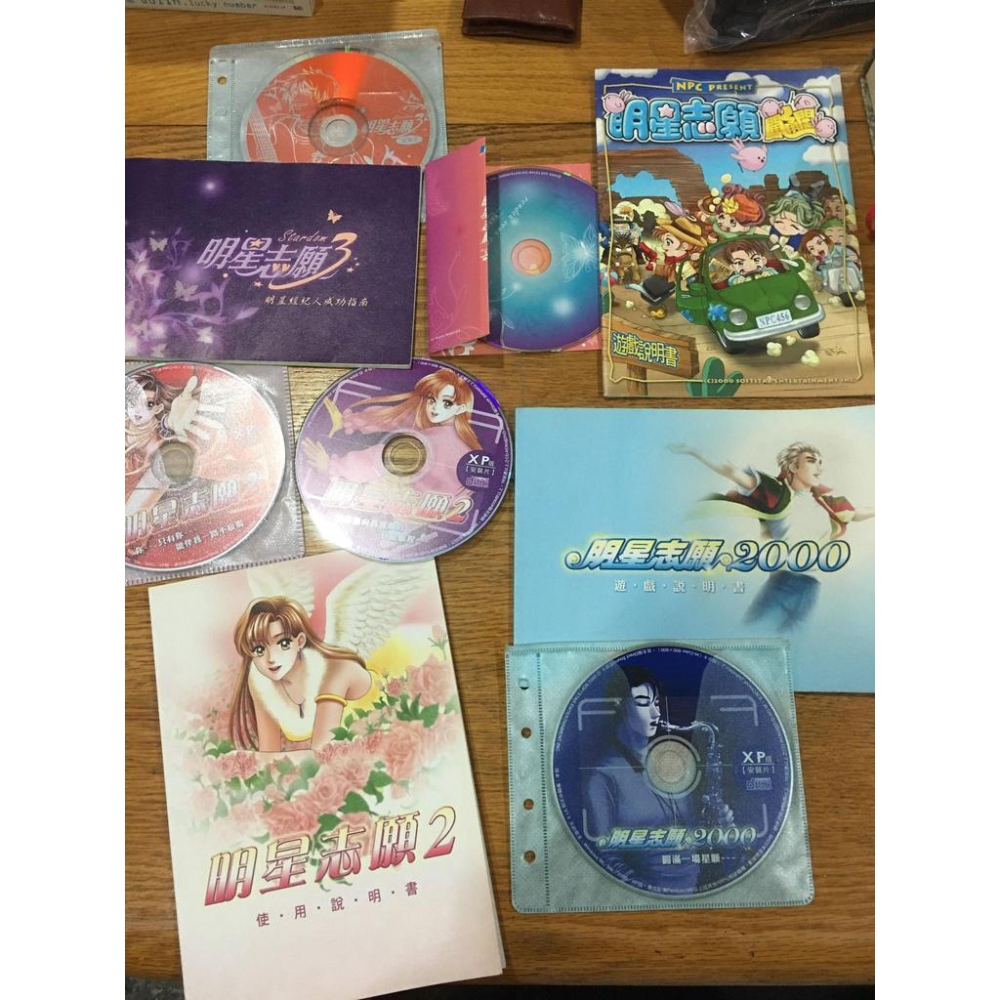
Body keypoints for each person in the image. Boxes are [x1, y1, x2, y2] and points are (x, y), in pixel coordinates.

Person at [669, 441, 874, 631]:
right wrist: (695, 452)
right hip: (784, 581)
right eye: (811, 461)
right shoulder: (779, 494)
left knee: (794, 647)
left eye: (820, 462)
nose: (819, 467)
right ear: (793, 467)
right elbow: (732, 471)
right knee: (752, 634)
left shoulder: (827, 504)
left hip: (811, 589)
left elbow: (856, 513)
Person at [301, 368, 482, 499]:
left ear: (461, 408)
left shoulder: (433, 440)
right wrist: (355, 420)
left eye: (447, 403)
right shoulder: (457, 436)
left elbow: (378, 459)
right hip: (445, 503)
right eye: (431, 400)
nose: (435, 408)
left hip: (419, 505)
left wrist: (333, 467)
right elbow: (404, 419)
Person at [229, 597, 372, 752]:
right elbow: (269, 753)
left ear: (300, 641)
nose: (271, 658)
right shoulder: (261, 681)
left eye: (283, 644)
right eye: (259, 650)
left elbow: (323, 754)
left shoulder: (334, 672)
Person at [124, 370, 219, 517]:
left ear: (158, 408)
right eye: (132, 402)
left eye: (148, 404)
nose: (138, 410)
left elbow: (165, 428)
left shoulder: (155, 441)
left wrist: (168, 423)